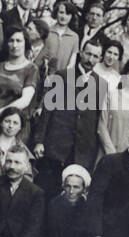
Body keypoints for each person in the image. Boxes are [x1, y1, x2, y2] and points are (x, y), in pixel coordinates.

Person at [33, 39, 107, 195]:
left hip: (82, 150)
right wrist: (39, 141)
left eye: (95, 56)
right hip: (56, 145)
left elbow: (98, 119)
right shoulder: (62, 76)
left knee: (72, 195)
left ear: (100, 59)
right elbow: (47, 110)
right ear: (80, 53)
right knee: (48, 190)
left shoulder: (101, 84)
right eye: (88, 54)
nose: (90, 59)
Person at [0, 27, 40, 140]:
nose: (14, 45)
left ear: (25, 43)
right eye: (11, 40)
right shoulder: (0, 66)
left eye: (19, 41)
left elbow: (25, 100)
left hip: (16, 124)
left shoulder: (31, 69)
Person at [50, 1, 81, 73]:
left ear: (71, 16)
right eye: (61, 12)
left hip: (61, 77)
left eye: (67, 14)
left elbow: (72, 63)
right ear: (56, 13)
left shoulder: (74, 37)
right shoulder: (48, 32)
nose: (63, 16)